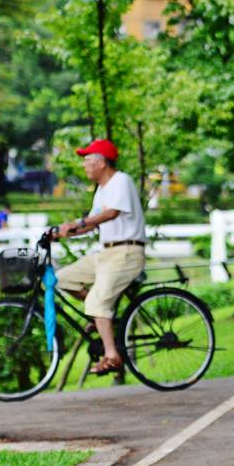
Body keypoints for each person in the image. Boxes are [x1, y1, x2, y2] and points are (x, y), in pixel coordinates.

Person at [54, 139, 147, 376]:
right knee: (61, 279)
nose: (84, 166)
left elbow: (111, 213)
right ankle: (103, 316)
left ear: (101, 162)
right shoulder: (102, 190)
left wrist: (80, 223)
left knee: (97, 301)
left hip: (126, 252)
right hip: (106, 252)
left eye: (87, 160)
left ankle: (112, 355)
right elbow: (91, 223)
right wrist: (62, 232)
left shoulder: (120, 181)